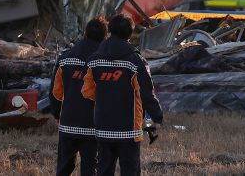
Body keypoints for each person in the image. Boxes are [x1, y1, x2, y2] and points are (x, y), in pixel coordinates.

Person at [82, 14, 163, 176]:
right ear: (129, 33)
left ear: (110, 31)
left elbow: (87, 92)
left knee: (104, 170)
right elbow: (146, 92)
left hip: (103, 128)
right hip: (129, 130)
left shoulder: (93, 61)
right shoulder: (136, 61)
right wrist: (157, 117)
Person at [52, 16, 107, 176]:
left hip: (68, 122)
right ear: (105, 36)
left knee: (63, 168)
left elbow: (55, 92)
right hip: (93, 125)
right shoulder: (105, 61)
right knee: (90, 168)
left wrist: (57, 113)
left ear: (85, 33)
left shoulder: (65, 58)